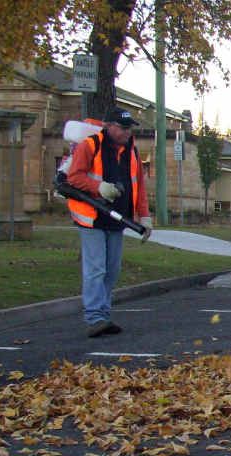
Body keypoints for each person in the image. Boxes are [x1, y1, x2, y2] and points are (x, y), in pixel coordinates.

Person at [66, 107, 153, 338]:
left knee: (112, 270)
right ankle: (95, 317)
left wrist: (144, 216)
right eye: (123, 128)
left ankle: (103, 315)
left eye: (129, 128)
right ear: (109, 126)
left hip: (117, 217)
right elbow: (74, 177)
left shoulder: (132, 152)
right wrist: (99, 188)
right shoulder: (90, 146)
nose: (127, 132)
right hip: (91, 216)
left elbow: (139, 186)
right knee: (96, 268)